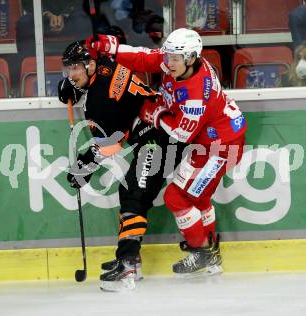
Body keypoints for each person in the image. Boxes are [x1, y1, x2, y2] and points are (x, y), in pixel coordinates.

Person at [89, 28, 247, 276]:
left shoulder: (197, 93)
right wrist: (112, 48)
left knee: (176, 198)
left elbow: (182, 134)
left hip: (220, 147)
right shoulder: (178, 63)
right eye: (169, 55)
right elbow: (144, 58)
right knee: (199, 197)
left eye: (175, 58)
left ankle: (202, 252)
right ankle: (210, 256)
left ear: (192, 58)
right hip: (210, 142)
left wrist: (157, 115)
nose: (168, 61)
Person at [58, 40, 184, 291]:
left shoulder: (98, 101)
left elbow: (111, 143)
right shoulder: (105, 64)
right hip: (159, 130)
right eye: (68, 70)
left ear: (90, 64)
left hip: (160, 137)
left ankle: (127, 266)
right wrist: (78, 87)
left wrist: (84, 167)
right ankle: (130, 259)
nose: (71, 75)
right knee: (131, 193)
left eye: (76, 69)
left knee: (133, 194)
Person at [16, 0, 94, 59]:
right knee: (24, 24)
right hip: (42, 18)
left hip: (71, 17)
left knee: (85, 22)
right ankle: (30, 65)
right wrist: (46, 13)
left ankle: (85, 62)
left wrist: (64, 14)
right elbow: (26, 2)